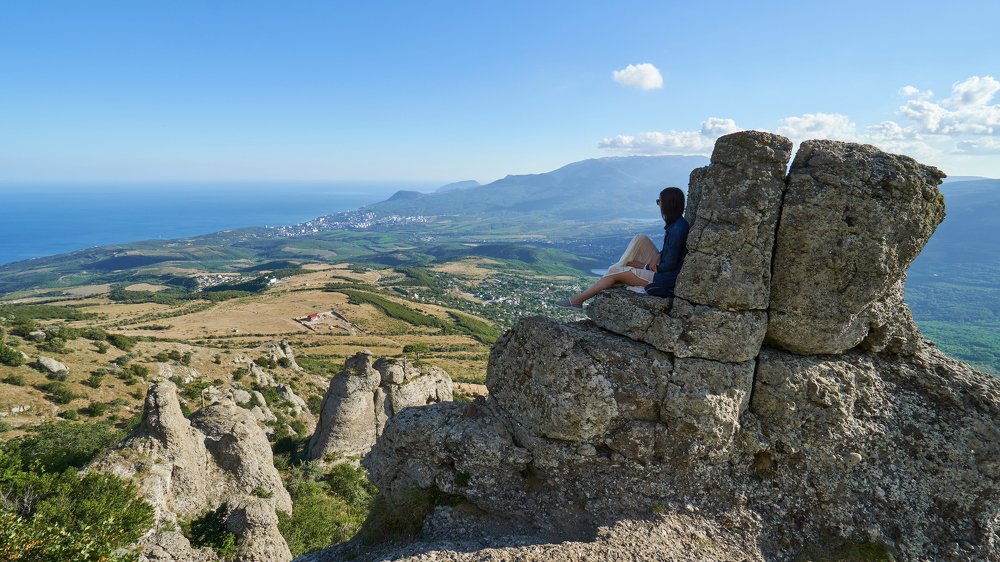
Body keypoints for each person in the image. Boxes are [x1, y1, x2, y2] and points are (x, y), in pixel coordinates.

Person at [557, 187, 689, 307]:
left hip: (665, 279)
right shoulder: (678, 224)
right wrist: (659, 254)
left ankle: (577, 300)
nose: (659, 204)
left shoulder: (677, 230)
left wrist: (645, 267)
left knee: (614, 273)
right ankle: (619, 269)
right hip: (666, 270)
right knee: (641, 238)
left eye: (659, 201)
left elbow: (669, 266)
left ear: (668, 204)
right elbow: (672, 251)